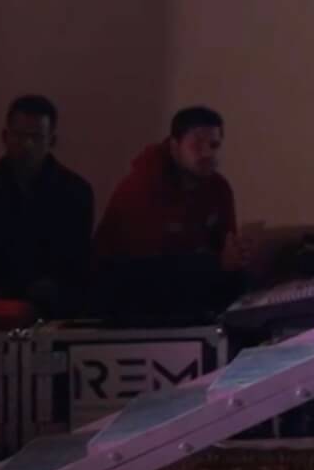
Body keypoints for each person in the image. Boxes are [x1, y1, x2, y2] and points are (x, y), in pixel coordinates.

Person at [0, 95, 94, 312]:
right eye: (19, 136)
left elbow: (76, 263)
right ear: (5, 137)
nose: (27, 145)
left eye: (36, 137)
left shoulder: (75, 193)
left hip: (51, 308)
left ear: (51, 141)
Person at [92, 105, 243, 318]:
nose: (208, 153)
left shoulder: (219, 187)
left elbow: (225, 247)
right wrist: (215, 263)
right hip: (134, 291)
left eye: (214, 145)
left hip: (194, 281)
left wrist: (237, 255)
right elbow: (147, 266)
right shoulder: (143, 185)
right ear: (174, 146)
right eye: (197, 145)